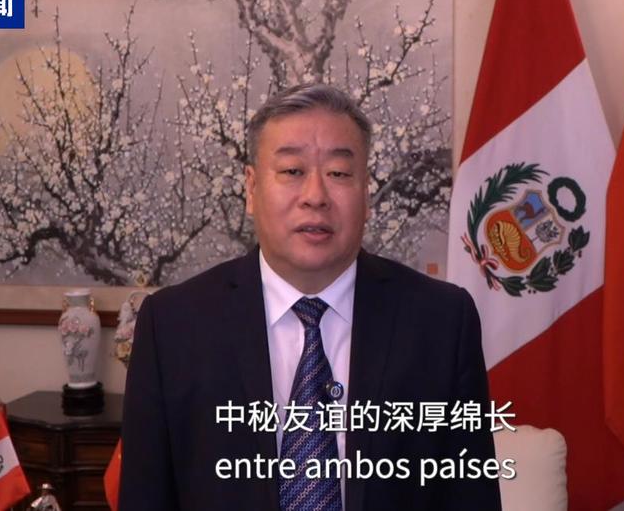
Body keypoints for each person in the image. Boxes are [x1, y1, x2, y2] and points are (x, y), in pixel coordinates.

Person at [120, 83, 502, 510]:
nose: (316, 196)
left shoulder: (441, 322)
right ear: (251, 188)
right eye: (292, 171)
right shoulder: (172, 326)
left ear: (366, 193)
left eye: (338, 173)